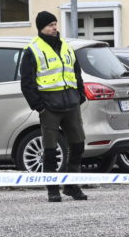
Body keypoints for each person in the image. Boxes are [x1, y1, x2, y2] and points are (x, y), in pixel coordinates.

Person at [20, 11, 89, 202]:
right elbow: (26, 83)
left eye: (55, 24)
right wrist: (39, 106)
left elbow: (76, 73)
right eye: (50, 25)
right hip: (49, 106)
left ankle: (71, 186)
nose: (54, 28)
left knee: (78, 144)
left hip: (71, 103)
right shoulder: (33, 50)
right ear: (41, 28)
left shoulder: (66, 46)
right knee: (50, 149)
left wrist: (80, 95)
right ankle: (52, 189)